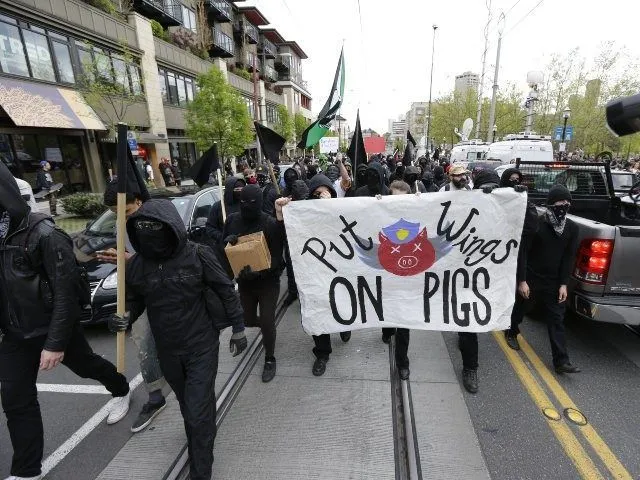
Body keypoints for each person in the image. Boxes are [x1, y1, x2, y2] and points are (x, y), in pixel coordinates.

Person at [0, 164, 130, 480]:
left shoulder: (46, 234)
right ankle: (27, 470)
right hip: (15, 334)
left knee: (86, 366)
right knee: (16, 399)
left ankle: (120, 389)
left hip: (53, 327)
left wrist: (55, 343)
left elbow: (66, 292)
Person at [113, 199, 246, 480]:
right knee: (190, 406)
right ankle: (200, 435)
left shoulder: (198, 255)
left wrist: (238, 328)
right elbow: (135, 299)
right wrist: (125, 315)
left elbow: (225, 289)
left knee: (197, 412)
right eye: (142, 228)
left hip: (201, 346)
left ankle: (200, 470)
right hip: (168, 350)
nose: (148, 233)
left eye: (154, 227)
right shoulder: (138, 265)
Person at [98, 179, 169, 433]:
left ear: (138, 202)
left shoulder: (159, 221)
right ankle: (155, 396)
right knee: (143, 341)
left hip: (172, 293)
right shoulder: (122, 227)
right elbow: (130, 269)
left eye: (126, 211)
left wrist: (132, 260)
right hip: (142, 293)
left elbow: (169, 260)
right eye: (116, 214)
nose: (122, 218)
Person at [276, 174, 351, 376]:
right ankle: (322, 353)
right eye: (316, 194)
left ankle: (345, 326)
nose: (320, 197)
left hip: (337, 271)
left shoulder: (341, 209)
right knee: (317, 312)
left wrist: (330, 207)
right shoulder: (304, 214)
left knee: (341, 305)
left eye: (325, 193)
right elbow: (286, 235)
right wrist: (281, 214)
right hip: (312, 274)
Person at [506, 185, 580, 374]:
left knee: (556, 319)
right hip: (532, 277)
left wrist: (563, 284)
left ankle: (561, 360)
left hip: (554, 282)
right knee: (522, 307)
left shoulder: (572, 228)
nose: (564, 205)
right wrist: (522, 280)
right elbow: (523, 253)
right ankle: (512, 331)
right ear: (551, 203)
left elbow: (568, 257)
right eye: (561, 201)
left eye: (568, 202)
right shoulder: (537, 224)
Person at [222, 185, 285, 382]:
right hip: (244, 282)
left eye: (251, 203)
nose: (246, 206)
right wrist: (228, 241)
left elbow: (277, 258)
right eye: (242, 202)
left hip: (267, 282)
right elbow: (224, 248)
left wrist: (260, 271)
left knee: (266, 320)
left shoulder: (269, 223)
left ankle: (270, 357)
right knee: (247, 320)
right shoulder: (232, 220)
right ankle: (268, 329)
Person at [386, 180, 413, 379]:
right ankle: (386, 330)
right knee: (386, 310)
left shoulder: (417, 216)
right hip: (385, 276)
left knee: (404, 322)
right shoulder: (378, 214)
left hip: (407, 278)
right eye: (394, 199)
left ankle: (402, 362)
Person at [205, 176, 246, 249]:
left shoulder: (246, 204)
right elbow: (210, 228)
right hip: (224, 248)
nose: (240, 191)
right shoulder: (218, 206)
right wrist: (223, 237)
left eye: (242, 189)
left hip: (245, 244)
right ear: (230, 190)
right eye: (237, 189)